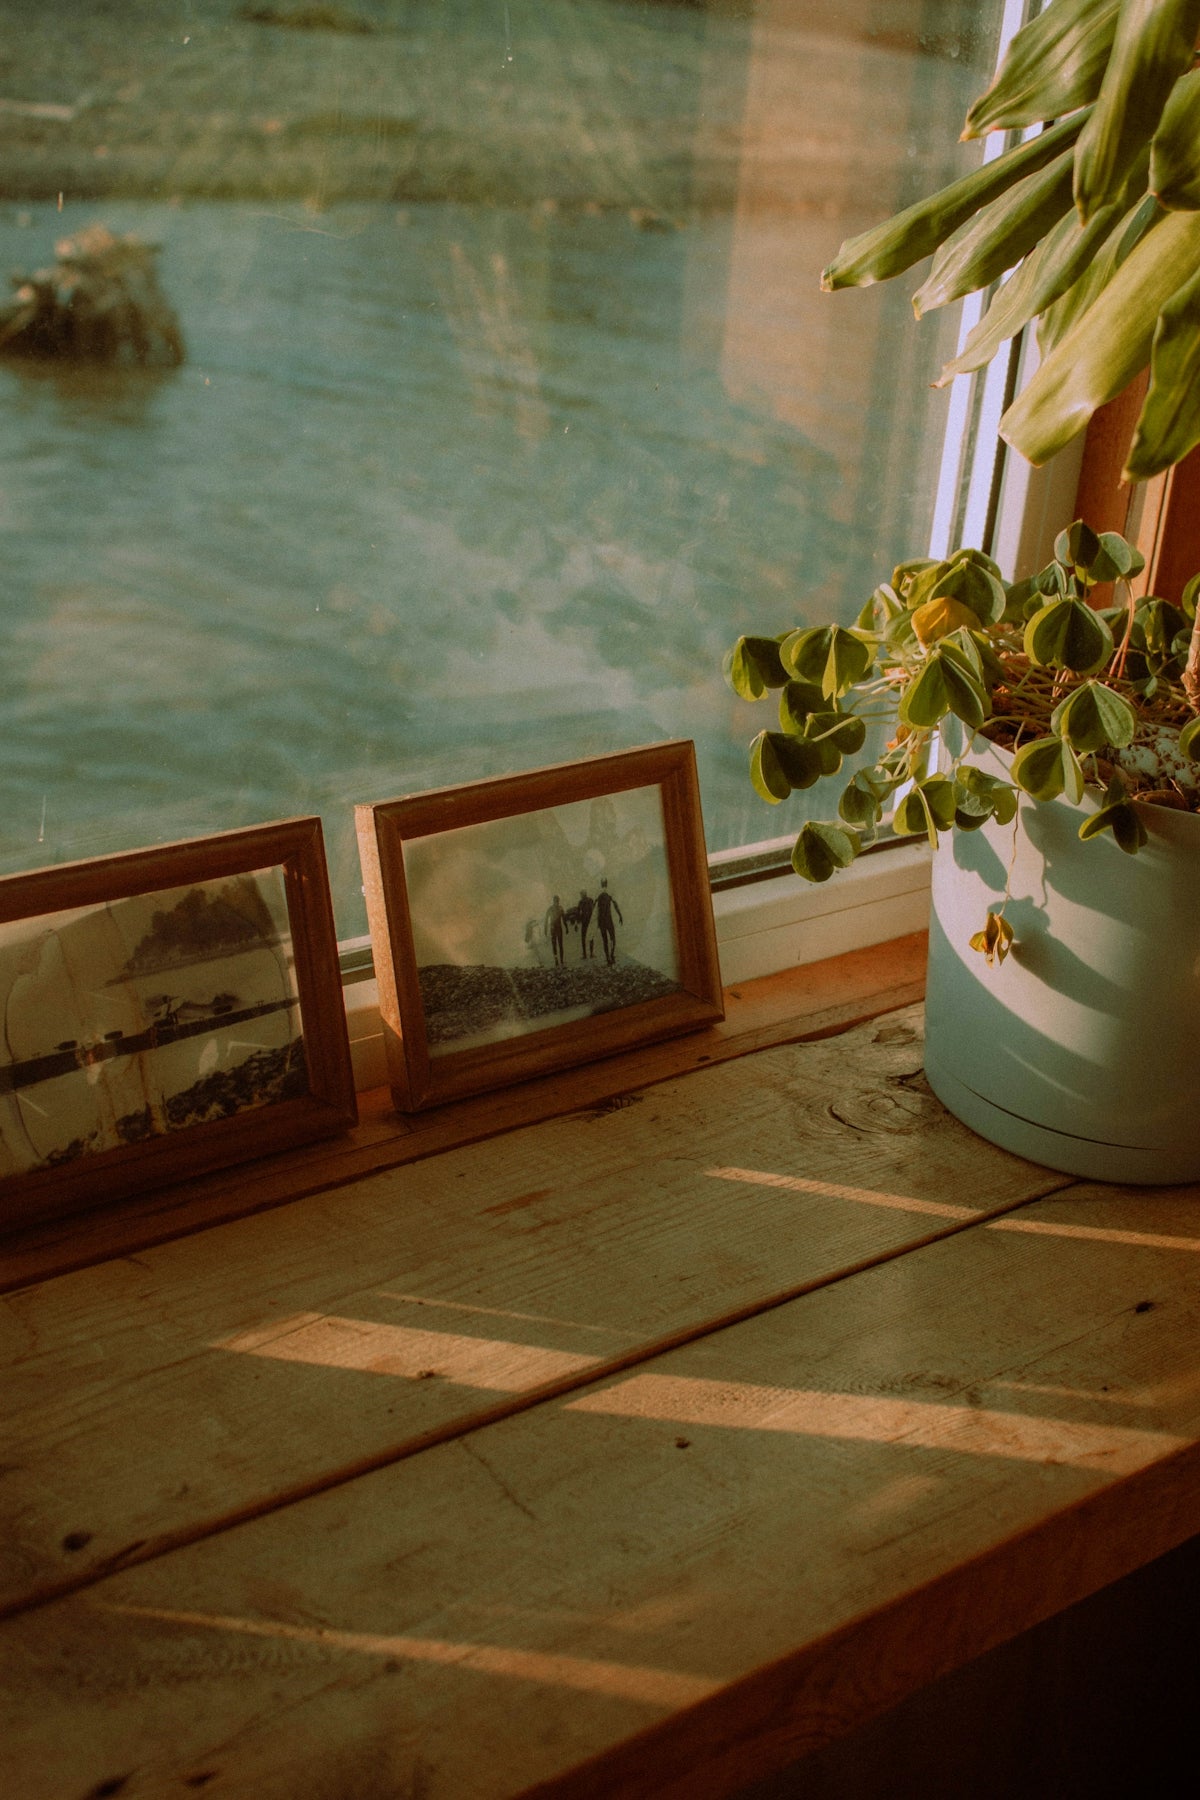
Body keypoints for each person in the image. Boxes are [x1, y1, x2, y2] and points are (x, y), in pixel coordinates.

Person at [595, 878, 623, 967]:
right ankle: (611, 954)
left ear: (600, 884)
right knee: (612, 938)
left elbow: (595, 909)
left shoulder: (598, 894)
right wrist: (620, 915)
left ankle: (608, 958)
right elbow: (615, 905)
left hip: (601, 920)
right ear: (607, 883)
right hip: (608, 919)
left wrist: (596, 923)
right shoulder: (609, 893)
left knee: (605, 940)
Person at [544, 894, 566, 967]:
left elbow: (546, 920)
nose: (557, 902)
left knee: (556, 945)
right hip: (557, 928)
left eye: (557, 901)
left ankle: (557, 960)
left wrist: (545, 930)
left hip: (553, 928)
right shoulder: (560, 908)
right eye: (557, 901)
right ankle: (560, 960)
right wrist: (566, 928)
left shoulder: (550, 909)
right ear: (557, 901)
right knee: (559, 944)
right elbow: (564, 919)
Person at [573, 888, 595, 960]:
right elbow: (578, 913)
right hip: (586, 922)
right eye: (581, 894)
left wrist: (576, 923)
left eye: (582, 894)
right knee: (587, 938)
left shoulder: (584, 901)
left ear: (584, 894)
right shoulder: (583, 902)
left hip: (587, 922)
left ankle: (588, 954)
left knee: (587, 938)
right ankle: (588, 954)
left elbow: (578, 913)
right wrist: (576, 923)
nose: (581, 895)